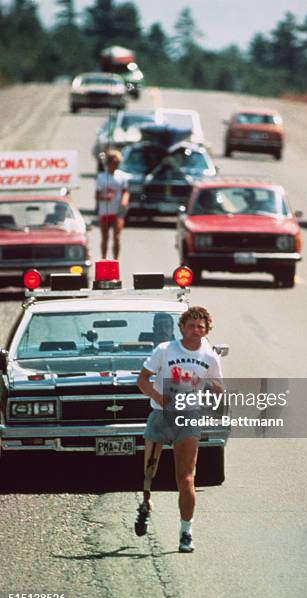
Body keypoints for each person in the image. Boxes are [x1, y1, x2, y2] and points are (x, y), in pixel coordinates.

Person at [136, 306, 223, 553]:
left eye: (201, 326)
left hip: (189, 417)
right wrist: (157, 396)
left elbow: (217, 390)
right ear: (182, 327)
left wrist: (215, 395)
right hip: (161, 415)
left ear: (207, 330)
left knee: (186, 477)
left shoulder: (210, 357)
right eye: (191, 325)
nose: (196, 330)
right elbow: (142, 379)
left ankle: (186, 532)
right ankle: (145, 503)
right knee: (149, 473)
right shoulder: (165, 350)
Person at [95, 149, 129, 259]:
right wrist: (105, 197)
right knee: (105, 237)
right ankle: (104, 259)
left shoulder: (122, 176)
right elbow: (97, 196)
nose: (115, 165)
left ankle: (115, 260)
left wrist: (124, 200)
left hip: (117, 211)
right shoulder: (101, 177)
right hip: (105, 211)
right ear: (108, 163)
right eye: (113, 163)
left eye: (117, 163)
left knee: (117, 237)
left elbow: (126, 191)